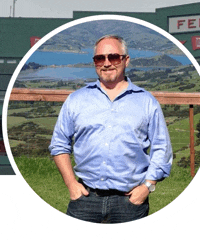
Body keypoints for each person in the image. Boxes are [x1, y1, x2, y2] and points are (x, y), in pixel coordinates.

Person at [49, 35, 172, 223]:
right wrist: (71, 184)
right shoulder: (76, 100)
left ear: (126, 60)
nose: (106, 63)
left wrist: (148, 186)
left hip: (130, 202)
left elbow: (162, 148)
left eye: (113, 57)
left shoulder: (147, 102)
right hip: (84, 199)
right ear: (94, 62)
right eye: (100, 58)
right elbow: (59, 144)